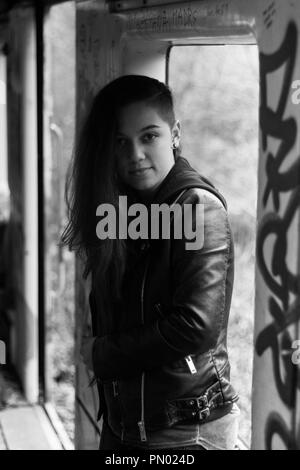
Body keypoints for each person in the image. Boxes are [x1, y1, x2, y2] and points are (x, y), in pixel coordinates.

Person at [62, 75, 240, 451]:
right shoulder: (124, 207)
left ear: (174, 134)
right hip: (127, 423)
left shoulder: (196, 208)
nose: (135, 155)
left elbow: (195, 326)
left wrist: (101, 353)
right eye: (120, 142)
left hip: (184, 430)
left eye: (149, 136)